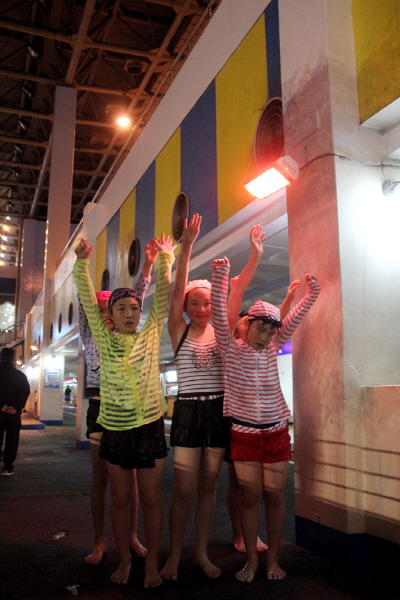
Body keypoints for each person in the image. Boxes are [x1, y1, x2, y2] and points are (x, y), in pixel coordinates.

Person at [73, 234, 175, 588]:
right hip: (115, 428)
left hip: (149, 426)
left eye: (134, 307)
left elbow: (161, 296)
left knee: (150, 499)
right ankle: (125, 561)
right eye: (121, 309)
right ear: (111, 317)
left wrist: (165, 259)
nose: (129, 313)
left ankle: (151, 564)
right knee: (120, 499)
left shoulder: (150, 334)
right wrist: (82, 263)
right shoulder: (102, 339)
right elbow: (86, 299)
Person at [211, 257, 320, 582]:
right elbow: (219, 314)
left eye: (272, 330)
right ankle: (251, 561)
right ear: (247, 324)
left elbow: (293, 318)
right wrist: (220, 276)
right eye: (261, 327)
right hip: (244, 433)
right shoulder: (230, 348)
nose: (266, 335)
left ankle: (273, 559)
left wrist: (311, 295)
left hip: (275, 432)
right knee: (249, 496)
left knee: (274, 495)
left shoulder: (273, 347)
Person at [0, 347, 30, 476]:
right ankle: (8, 467)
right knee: (12, 440)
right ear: (13, 359)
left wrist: (1, 406)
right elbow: (25, 393)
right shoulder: (20, 376)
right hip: (13, 415)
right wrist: (15, 407)